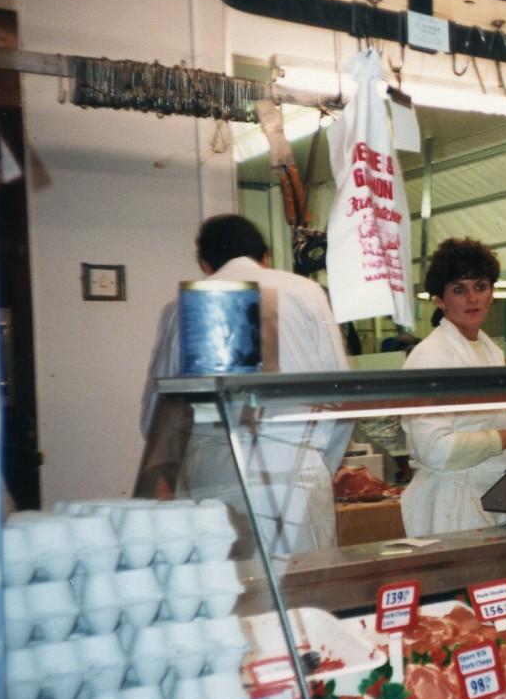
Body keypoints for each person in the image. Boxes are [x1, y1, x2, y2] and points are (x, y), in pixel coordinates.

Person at [138, 214, 350, 562]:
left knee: (226, 593)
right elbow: (340, 393)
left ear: (205, 265)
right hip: (295, 466)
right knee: (301, 597)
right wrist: (319, 462)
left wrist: (179, 470)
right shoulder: (307, 292)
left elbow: (157, 412)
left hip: (211, 470)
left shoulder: (179, 307)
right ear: (266, 256)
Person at [400, 238, 506, 537]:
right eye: (458, 289)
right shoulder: (431, 356)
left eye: (480, 287)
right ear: (440, 300)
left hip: (492, 494)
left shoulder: (488, 349)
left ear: (492, 293)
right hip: (452, 503)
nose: (472, 298)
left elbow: (475, 421)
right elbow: (435, 449)